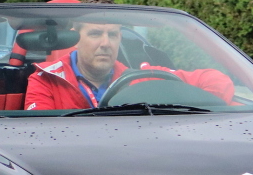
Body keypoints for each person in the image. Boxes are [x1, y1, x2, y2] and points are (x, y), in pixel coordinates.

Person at [24, 16, 235, 110]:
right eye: (96, 34)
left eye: (113, 35)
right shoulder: (45, 80)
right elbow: (41, 138)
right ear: (75, 38)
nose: (106, 43)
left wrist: (198, 112)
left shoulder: (144, 77)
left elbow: (215, 79)